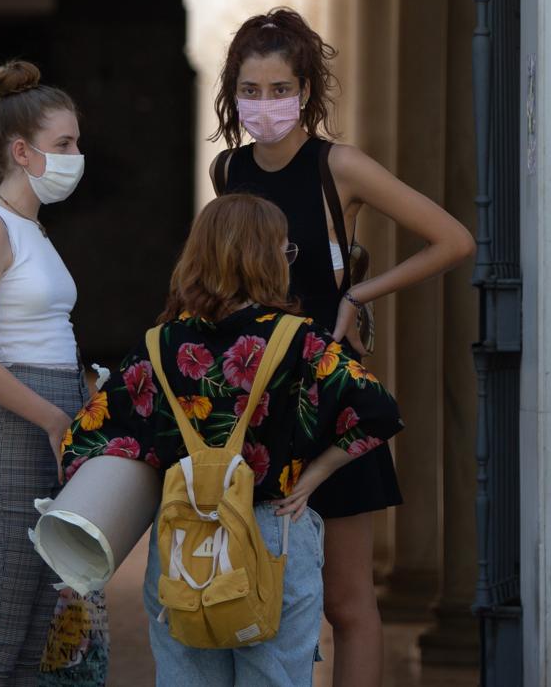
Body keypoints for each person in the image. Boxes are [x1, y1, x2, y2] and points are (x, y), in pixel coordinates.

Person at [207, 7, 475, 684]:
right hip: (251, 402)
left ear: (306, 91)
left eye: (279, 90)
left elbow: (453, 239)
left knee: (346, 600)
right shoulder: (227, 171)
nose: (265, 105)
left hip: (330, 400)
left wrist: (359, 295)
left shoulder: (340, 167)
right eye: (250, 90)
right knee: (256, 582)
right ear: (232, 93)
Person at [62, 193, 404, 686]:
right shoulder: (299, 339)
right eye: (286, 253)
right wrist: (313, 477)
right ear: (267, 258)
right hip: (272, 531)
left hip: (184, 535)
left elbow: (86, 437)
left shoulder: (160, 344)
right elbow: (379, 411)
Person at [0, 60, 104, 684]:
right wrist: (53, 415)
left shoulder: (30, 228)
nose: (75, 156)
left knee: (39, 646)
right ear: (21, 151)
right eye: (63, 145)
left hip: (43, 435)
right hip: (9, 444)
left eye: (75, 143)